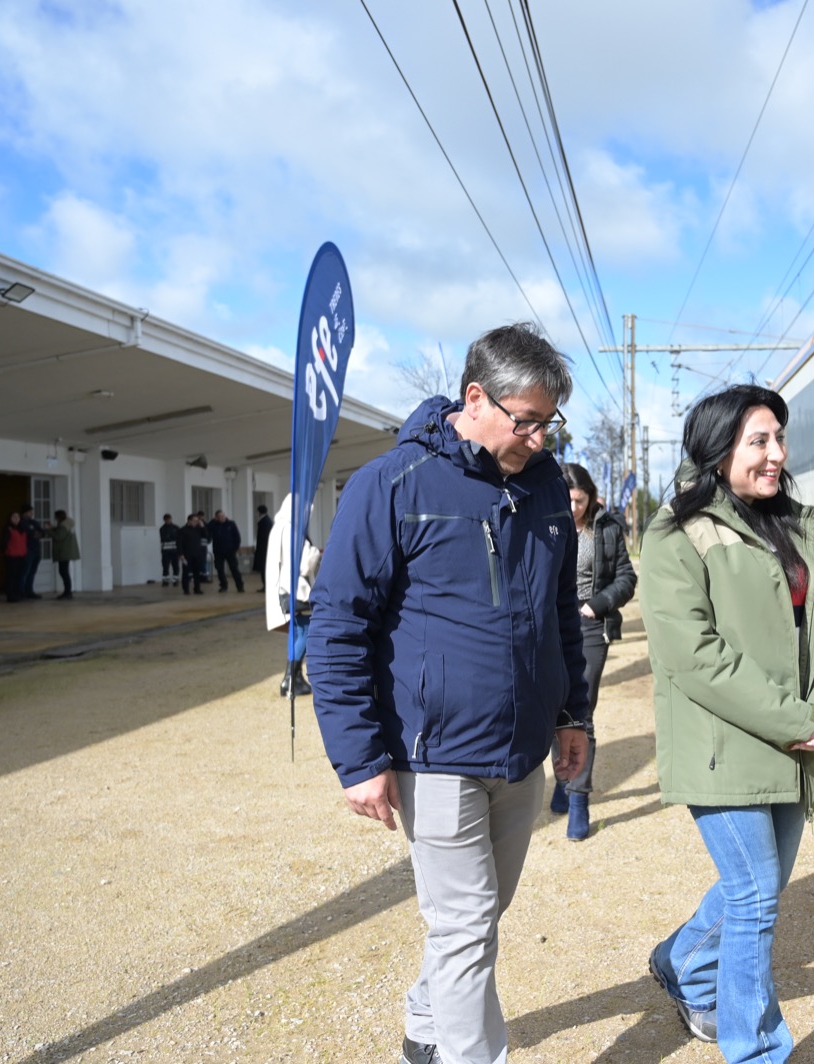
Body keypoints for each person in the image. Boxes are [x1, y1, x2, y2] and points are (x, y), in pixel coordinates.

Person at [305, 322, 590, 1064]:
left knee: (485, 913)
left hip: (523, 751)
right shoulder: (391, 484)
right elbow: (338, 629)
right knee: (464, 928)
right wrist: (357, 758)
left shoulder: (549, 488)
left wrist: (572, 714)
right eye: (524, 420)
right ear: (475, 397)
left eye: (546, 421)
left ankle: (425, 1025)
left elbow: (561, 614)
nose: (536, 436)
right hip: (431, 755)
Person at [639, 384, 814, 1062]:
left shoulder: (796, 524)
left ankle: (684, 960)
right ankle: (757, 1051)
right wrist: (795, 718)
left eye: (779, 439)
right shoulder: (677, 531)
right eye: (758, 440)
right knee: (757, 896)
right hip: (720, 745)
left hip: (793, 738)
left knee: (758, 886)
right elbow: (693, 657)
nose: (776, 454)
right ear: (716, 447)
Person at [548, 461, 635, 841]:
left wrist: (598, 603)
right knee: (554, 707)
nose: (573, 508)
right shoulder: (547, 520)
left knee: (580, 710)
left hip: (589, 625)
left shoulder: (608, 527)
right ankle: (564, 776)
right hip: (550, 625)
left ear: (591, 496)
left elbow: (627, 578)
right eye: (567, 500)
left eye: (580, 500)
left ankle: (579, 798)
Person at [264, 492, 320, 697]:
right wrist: (315, 553)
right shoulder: (293, 531)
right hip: (298, 590)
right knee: (304, 632)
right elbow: (305, 565)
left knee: (297, 632)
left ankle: (293, 678)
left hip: (283, 588)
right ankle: (290, 678)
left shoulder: (277, 528)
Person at [208, 509, 244, 592]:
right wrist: (213, 521)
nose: (222, 518)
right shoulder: (214, 525)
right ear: (216, 518)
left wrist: (235, 548)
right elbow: (207, 529)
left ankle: (240, 586)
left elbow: (237, 537)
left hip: (230, 551)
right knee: (220, 569)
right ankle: (223, 585)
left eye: (223, 516)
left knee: (234, 568)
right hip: (218, 551)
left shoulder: (231, 524)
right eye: (220, 516)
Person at [47, 509, 80, 599]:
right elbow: (61, 532)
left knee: (63, 572)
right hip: (68, 551)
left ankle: (67, 592)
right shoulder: (68, 523)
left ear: (58, 517)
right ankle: (68, 592)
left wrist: (49, 531)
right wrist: (53, 528)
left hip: (63, 551)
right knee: (65, 572)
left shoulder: (63, 526)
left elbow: (59, 536)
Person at [1, 511, 28, 604]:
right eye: (14, 517)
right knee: (11, 576)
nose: (16, 519)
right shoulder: (8, 529)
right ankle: (10, 595)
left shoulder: (23, 529)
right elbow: (3, 543)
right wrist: (5, 552)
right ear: (10, 519)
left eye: (18, 517)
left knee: (19, 576)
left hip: (22, 556)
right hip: (11, 556)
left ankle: (17, 593)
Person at [176, 514, 206, 595]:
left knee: (197, 572)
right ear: (189, 521)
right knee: (186, 573)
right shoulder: (182, 530)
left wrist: (202, 526)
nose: (196, 522)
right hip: (187, 555)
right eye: (195, 521)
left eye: (197, 521)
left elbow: (206, 536)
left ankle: (197, 588)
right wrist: (181, 554)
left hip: (197, 554)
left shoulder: (199, 529)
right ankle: (186, 589)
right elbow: (179, 543)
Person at [18, 504, 43, 600]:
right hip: (27, 550)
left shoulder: (34, 522)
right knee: (25, 572)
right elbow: (29, 532)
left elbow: (41, 533)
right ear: (25, 512)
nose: (32, 513)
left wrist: (37, 533)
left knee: (32, 571)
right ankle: (21, 592)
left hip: (36, 550)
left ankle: (29, 591)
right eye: (30, 512)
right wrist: (35, 533)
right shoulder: (22, 522)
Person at [252, 503, 274, 588]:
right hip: (265, 548)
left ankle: (266, 586)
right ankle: (265, 585)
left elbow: (264, 537)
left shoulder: (264, 522)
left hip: (264, 549)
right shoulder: (267, 520)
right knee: (264, 568)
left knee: (264, 568)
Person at [159, 514, 180, 587]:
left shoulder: (176, 528)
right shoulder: (162, 529)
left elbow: (179, 538)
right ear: (164, 520)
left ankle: (175, 580)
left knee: (176, 566)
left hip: (175, 551)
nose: (168, 521)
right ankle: (165, 581)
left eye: (169, 519)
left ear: (171, 519)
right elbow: (164, 538)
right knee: (165, 567)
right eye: (166, 520)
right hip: (166, 552)